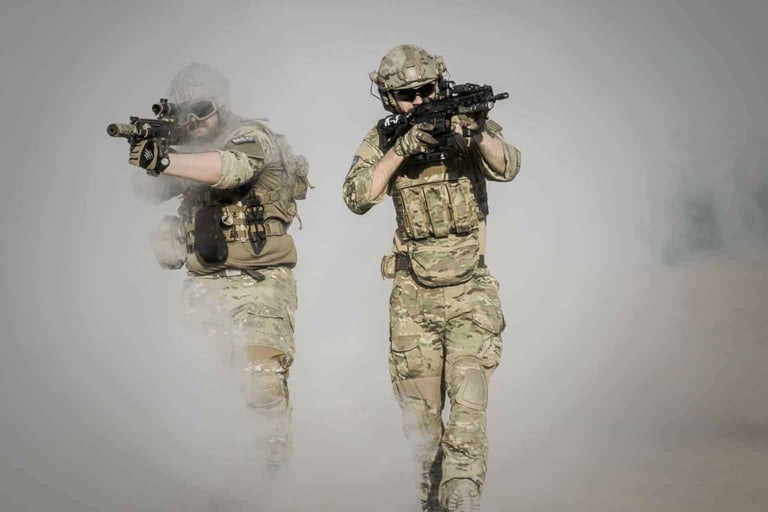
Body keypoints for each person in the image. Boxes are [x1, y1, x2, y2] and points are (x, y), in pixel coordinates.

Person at [342, 45, 521, 512]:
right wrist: (402, 148)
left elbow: (508, 166)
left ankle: (462, 497)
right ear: (389, 99)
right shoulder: (384, 138)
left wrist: (475, 132)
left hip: (470, 293)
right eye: (408, 96)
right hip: (413, 300)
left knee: (468, 409)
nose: (421, 101)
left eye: (428, 90)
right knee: (422, 433)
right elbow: (357, 197)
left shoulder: (464, 122)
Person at [127, 63, 310, 473]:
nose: (195, 121)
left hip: (259, 284)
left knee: (263, 387)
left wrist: (163, 159)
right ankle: (225, 484)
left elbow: (229, 169)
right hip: (204, 286)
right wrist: (148, 153)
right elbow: (147, 191)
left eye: (203, 109)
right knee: (210, 396)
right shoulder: (187, 151)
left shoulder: (252, 136)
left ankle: (276, 482)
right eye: (185, 113)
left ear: (222, 104)